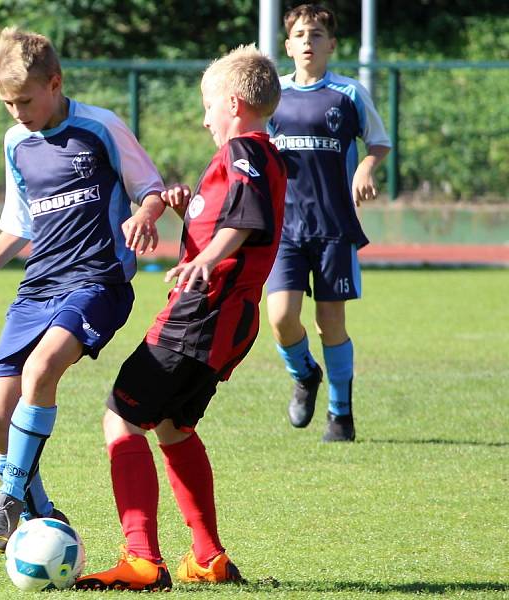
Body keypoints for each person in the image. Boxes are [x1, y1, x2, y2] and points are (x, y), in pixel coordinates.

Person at [0, 26, 167, 554]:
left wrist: (145, 215)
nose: (16, 112)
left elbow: (149, 187)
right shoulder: (16, 142)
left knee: (42, 370)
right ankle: (40, 509)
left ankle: (9, 496)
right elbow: (20, 222)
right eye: (6, 103)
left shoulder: (101, 127)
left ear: (55, 82)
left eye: (24, 100)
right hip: (38, 284)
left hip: (97, 280)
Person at [75, 44, 286, 591]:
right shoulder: (259, 154)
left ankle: (142, 558)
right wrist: (188, 211)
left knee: (120, 417)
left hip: (202, 311)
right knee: (173, 427)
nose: (204, 117)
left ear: (235, 103)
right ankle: (208, 557)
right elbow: (233, 211)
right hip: (227, 319)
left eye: (208, 105)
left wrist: (208, 258)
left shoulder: (244, 149)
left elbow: (246, 218)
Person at [266, 3, 391, 442]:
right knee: (281, 317)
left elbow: (378, 142)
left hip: (334, 227)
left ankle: (341, 415)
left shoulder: (349, 93)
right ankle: (304, 373)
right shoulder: (272, 96)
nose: (307, 42)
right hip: (284, 229)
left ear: (332, 45)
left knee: (330, 323)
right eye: (300, 34)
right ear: (287, 44)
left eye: (316, 35)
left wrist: (365, 169)